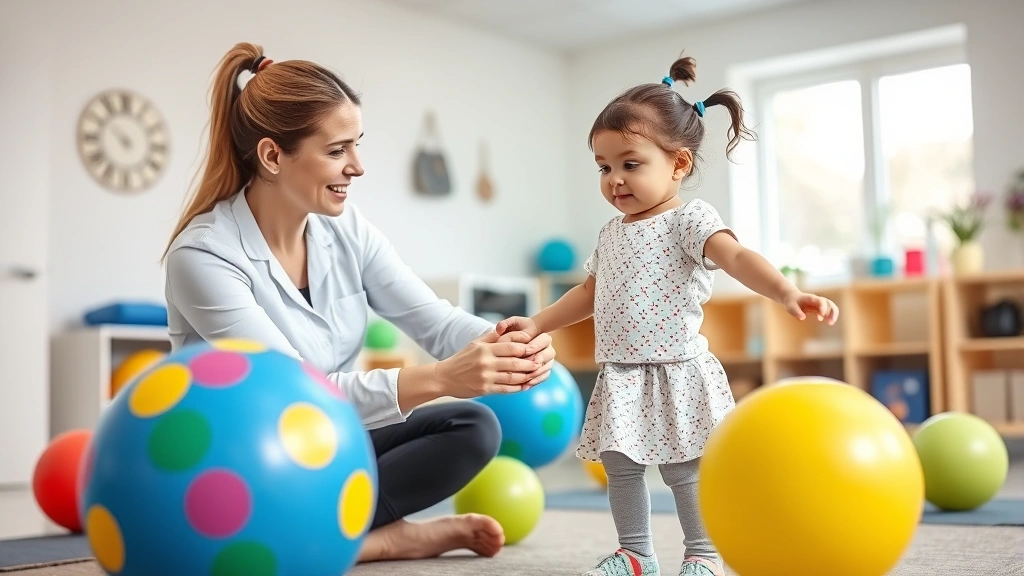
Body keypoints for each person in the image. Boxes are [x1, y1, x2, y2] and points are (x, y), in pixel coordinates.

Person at [161, 42, 557, 563]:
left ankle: (333, 538)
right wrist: (440, 378)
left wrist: (505, 342)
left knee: (473, 426)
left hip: (323, 445)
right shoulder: (203, 255)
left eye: (357, 145)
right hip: (241, 461)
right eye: (337, 150)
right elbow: (293, 396)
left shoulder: (344, 228)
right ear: (273, 156)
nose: (358, 167)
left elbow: (432, 319)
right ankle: (383, 539)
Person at [494, 53, 839, 576]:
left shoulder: (689, 220)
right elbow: (589, 293)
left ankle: (703, 553)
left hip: (677, 369)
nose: (615, 180)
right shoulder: (612, 233)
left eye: (631, 164)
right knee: (621, 467)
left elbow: (737, 258)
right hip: (621, 373)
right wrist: (538, 323)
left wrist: (786, 292)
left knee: (685, 470)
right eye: (604, 167)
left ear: (678, 163)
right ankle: (635, 553)